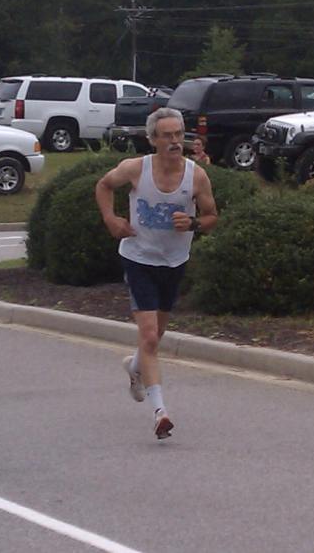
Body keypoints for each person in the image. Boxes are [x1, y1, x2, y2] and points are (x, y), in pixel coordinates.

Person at [96, 107, 218, 440]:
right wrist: (111, 219)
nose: (175, 141)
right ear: (153, 140)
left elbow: (211, 217)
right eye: (167, 135)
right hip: (138, 259)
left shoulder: (196, 176)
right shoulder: (136, 169)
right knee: (149, 336)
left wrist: (193, 223)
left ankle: (135, 367)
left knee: (156, 335)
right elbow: (104, 185)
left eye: (179, 134)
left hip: (174, 262)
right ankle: (160, 412)